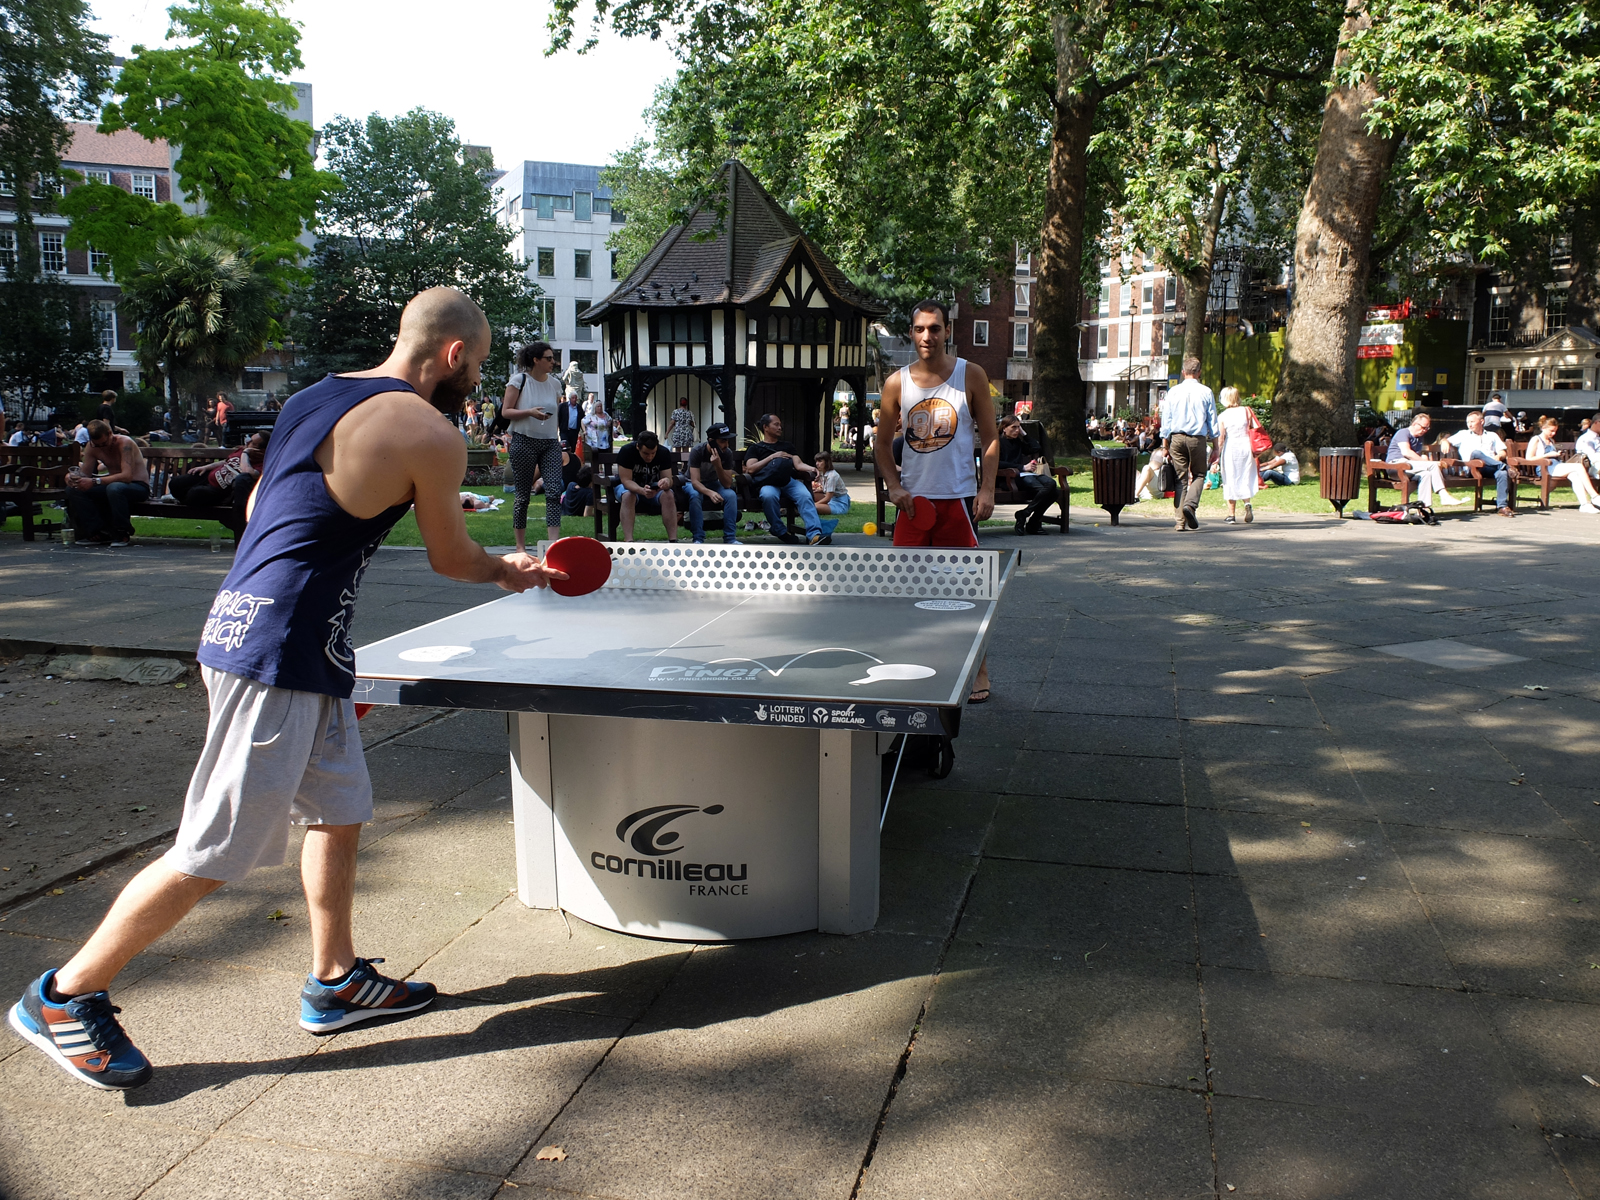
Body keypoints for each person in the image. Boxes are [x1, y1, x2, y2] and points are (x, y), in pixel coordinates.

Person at [8, 287, 561, 1093]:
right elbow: (452, 559)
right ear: (453, 356)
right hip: (277, 651)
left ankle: (334, 981)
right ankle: (64, 995)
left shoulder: (316, 396)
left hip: (266, 630)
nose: (474, 381)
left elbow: (267, 502)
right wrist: (509, 571)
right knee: (214, 848)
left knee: (339, 808)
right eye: (475, 367)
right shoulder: (429, 432)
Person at [874, 298, 998, 702]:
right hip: (914, 505)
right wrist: (894, 486)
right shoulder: (897, 383)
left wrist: (986, 488)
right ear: (911, 333)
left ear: (948, 331)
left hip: (959, 500)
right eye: (920, 329)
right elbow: (880, 446)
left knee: (968, 591)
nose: (928, 336)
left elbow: (991, 437)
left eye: (936, 328)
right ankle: (911, 664)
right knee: (904, 590)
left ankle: (978, 670)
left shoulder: (970, 375)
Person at [502, 342, 565, 554]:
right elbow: (506, 412)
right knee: (522, 496)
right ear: (536, 360)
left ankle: (553, 545)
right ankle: (520, 547)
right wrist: (529, 412)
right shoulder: (519, 380)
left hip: (549, 443)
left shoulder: (555, 384)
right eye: (548, 358)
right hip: (524, 440)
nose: (553, 362)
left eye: (553, 358)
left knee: (554, 491)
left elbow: (554, 413)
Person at [64, 419, 151, 546]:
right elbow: (85, 474)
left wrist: (95, 481)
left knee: (115, 488)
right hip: (113, 485)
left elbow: (126, 476)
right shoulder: (92, 446)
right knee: (74, 489)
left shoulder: (125, 443)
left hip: (137, 486)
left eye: (104, 443)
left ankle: (122, 533)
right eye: (96, 445)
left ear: (110, 434)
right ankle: (98, 531)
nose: (101, 447)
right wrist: (72, 478)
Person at [745, 413, 825, 544]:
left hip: (788, 481)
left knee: (805, 495)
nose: (780, 427)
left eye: (780, 425)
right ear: (765, 427)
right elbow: (751, 469)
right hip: (768, 482)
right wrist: (772, 457)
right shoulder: (755, 448)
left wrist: (811, 468)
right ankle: (779, 529)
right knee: (768, 496)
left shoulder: (787, 446)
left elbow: (798, 464)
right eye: (776, 424)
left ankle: (814, 534)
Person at [1160, 357, 1217, 531]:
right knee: (1200, 474)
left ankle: (1180, 522)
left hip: (1176, 438)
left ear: (1183, 372)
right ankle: (1190, 505)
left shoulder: (1173, 391)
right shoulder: (1206, 392)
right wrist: (1216, 446)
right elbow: (1212, 420)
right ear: (1199, 372)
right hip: (1197, 438)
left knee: (1180, 479)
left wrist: (1165, 444)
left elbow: (1166, 419)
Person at [168, 432, 268, 513]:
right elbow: (226, 461)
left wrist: (246, 454)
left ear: (261, 450)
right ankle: (183, 499)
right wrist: (206, 467)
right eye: (250, 439)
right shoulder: (242, 449)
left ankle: (185, 499)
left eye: (252, 443)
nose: (247, 442)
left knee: (194, 494)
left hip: (220, 491)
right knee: (175, 483)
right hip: (208, 476)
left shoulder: (262, 464)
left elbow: (248, 473)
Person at [1384, 411, 1462, 507]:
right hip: (1396, 466)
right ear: (1415, 424)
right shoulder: (1403, 432)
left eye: (1427, 428)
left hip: (1409, 467)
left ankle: (1423, 508)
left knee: (1426, 474)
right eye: (1423, 427)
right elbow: (1406, 452)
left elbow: (1416, 457)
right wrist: (1425, 462)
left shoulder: (1419, 438)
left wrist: (1423, 459)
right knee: (1433, 465)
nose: (1425, 430)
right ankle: (1444, 495)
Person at [616, 430, 682, 542]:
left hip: (655, 490)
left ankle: (673, 540)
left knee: (668, 495)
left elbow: (668, 479)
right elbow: (626, 480)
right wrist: (641, 490)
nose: (650, 457)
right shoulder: (627, 451)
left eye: (653, 453)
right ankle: (629, 541)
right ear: (638, 447)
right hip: (629, 488)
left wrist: (666, 482)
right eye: (646, 453)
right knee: (628, 495)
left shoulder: (663, 452)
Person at [996, 415, 1058, 534]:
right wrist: (1022, 467)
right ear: (1004, 428)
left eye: (1019, 427)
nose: (1016, 430)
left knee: (1052, 486)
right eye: (1013, 427)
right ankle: (1032, 523)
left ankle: (1025, 515)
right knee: (1048, 491)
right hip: (1008, 478)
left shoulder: (1017, 441)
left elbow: (1036, 447)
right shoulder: (998, 442)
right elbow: (996, 463)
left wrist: (1024, 434)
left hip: (1024, 475)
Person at [1524, 415, 1600, 512]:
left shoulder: (1551, 441)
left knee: (1575, 475)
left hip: (1555, 465)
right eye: (1551, 431)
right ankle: (1594, 496)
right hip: (1545, 467)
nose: (1553, 433)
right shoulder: (1536, 439)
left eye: (1555, 431)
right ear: (1543, 428)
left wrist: (1557, 455)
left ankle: (1585, 504)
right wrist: (1548, 455)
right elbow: (1529, 458)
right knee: (1578, 467)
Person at [1447, 409, 1516, 516]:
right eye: (1468, 422)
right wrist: (1444, 442)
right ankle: (1505, 467)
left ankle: (1502, 506)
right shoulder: (1463, 434)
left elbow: (1502, 452)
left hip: (1489, 467)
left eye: (1472, 422)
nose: (1469, 425)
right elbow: (1446, 440)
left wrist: (1498, 456)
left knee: (1502, 473)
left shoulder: (1492, 435)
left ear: (1482, 422)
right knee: (1476, 453)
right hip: (1472, 468)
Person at [687, 422, 743, 544]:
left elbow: (727, 484)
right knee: (695, 496)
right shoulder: (698, 451)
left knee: (730, 495)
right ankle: (698, 538)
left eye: (727, 441)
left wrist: (718, 465)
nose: (726, 445)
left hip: (713, 483)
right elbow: (695, 482)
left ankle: (730, 538)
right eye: (723, 441)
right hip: (692, 483)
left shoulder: (727, 453)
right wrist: (710, 493)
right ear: (711, 441)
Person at [1215, 386, 1259, 525]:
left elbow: (1221, 438)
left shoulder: (1223, 416)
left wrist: (1217, 455)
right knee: (1245, 475)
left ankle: (1231, 514)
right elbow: (1254, 429)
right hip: (1246, 446)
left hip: (1231, 447)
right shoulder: (1247, 411)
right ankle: (1247, 503)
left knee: (1230, 478)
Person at [812, 452, 851, 516]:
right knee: (810, 494)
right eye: (816, 461)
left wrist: (814, 504)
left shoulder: (832, 476)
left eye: (820, 461)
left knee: (814, 507)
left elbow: (827, 498)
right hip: (832, 499)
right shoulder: (823, 473)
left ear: (826, 462)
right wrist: (819, 490)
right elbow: (830, 490)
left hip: (839, 504)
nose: (817, 464)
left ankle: (802, 510)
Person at [558, 389, 584, 456]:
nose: (574, 399)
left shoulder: (579, 408)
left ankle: (571, 462)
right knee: (564, 447)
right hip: (565, 430)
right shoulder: (563, 406)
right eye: (573, 398)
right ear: (569, 398)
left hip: (574, 431)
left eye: (575, 398)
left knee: (572, 448)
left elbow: (582, 419)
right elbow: (558, 417)